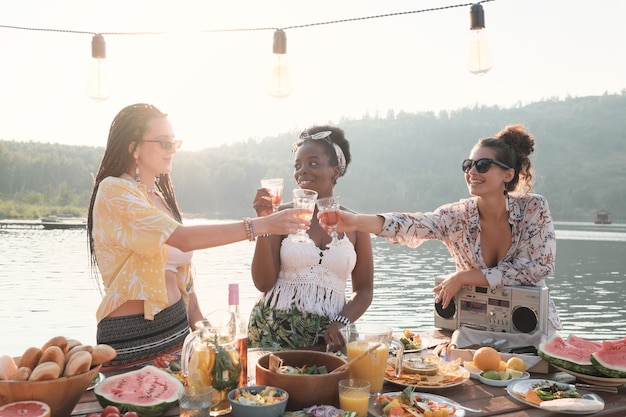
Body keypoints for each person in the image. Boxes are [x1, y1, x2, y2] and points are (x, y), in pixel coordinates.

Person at [86, 103, 311, 369]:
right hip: (131, 335)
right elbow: (184, 239)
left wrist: (210, 336)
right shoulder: (114, 191)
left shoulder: (159, 199)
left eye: (174, 143)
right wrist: (262, 225)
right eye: (163, 143)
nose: (171, 150)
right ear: (133, 147)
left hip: (178, 331)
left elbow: (186, 286)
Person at [321, 124, 562, 334]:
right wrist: (353, 221)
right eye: (468, 165)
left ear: (508, 174)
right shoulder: (456, 216)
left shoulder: (533, 208)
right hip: (475, 331)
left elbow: (536, 268)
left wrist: (464, 277)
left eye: (483, 165)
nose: (472, 172)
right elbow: (411, 224)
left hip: (532, 329)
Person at [248, 125, 374, 350]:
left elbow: (364, 290)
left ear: (335, 171)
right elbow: (262, 282)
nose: (301, 171)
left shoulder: (355, 224)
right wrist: (263, 223)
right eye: (298, 165)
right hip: (274, 332)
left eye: (313, 163)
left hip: (329, 338)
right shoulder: (280, 216)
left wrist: (342, 321)